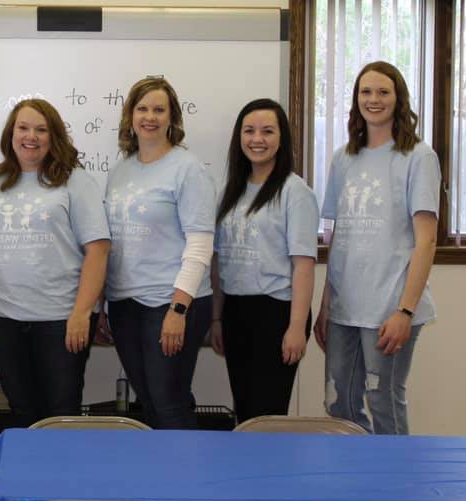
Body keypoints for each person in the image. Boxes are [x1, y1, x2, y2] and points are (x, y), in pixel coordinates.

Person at [0, 99, 110, 428]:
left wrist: (82, 314)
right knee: (21, 411)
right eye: (24, 128)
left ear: (54, 136)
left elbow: (98, 249)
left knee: (61, 413)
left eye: (41, 130)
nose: (31, 136)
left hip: (61, 320)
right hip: (4, 319)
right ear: (10, 134)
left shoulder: (76, 181)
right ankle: (27, 480)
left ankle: (61, 481)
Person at [313, 61, 439, 435]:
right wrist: (325, 304)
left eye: (383, 91)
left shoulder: (418, 157)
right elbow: (338, 238)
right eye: (366, 92)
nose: (374, 99)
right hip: (344, 308)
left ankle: (396, 493)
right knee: (339, 404)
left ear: (398, 98)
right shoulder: (343, 158)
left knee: (383, 402)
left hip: (389, 307)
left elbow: (427, 240)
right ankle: (354, 485)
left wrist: (405, 309)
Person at [104, 77, 215, 430]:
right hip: (125, 304)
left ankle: (185, 484)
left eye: (158, 109)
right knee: (151, 401)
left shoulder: (188, 169)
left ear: (172, 118)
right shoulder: (121, 169)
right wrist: (104, 303)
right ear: (130, 116)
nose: (149, 117)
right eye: (142, 109)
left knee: (168, 401)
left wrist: (178, 309)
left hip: (169, 303)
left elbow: (200, 245)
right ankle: (166, 479)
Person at [210, 99, 319, 424]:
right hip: (236, 311)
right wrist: (217, 318)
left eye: (267, 131)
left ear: (281, 138)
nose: (257, 139)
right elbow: (219, 262)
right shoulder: (230, 191)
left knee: (268, 415)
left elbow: (303, 265)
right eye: (249, 131)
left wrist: (296, 327)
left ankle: (272, 473)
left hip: (277, 312)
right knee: (244, 411)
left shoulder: (294, 191)